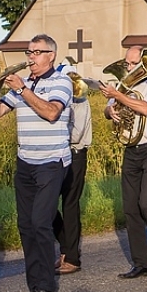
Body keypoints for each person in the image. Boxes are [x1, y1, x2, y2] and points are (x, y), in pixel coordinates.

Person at [0, 34, 74, 292]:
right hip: (26, 161)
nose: (30, 57)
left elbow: (51, 113)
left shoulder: (62, 81)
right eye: (29, 52)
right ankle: (34, 285)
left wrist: (24, 89)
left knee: (40, 223)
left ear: (51, 55)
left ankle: (47, 287)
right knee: (25, 226)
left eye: (37, 52)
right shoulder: (25, 85)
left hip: (51, 162)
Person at [97, 46, 147, 280]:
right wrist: (110, 111)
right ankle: (141, 262)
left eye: (132, 64)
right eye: (127, 64)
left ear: (144, 63)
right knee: (130, 207)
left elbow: (145, 108)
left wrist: (118, 96)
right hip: (132, 148)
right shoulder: (124, 86)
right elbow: (109, 110)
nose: (128, 68)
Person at [52, 53, 93, 276]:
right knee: (48, 204)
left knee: (70, 204)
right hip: (60, 153)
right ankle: (66, 248)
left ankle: (72, 258)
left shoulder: (80, 102)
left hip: (75, 154)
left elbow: (75, 134)